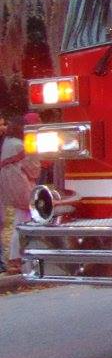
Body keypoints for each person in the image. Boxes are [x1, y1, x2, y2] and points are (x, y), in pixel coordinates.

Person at [0, 112, 40, 272]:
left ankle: (15, 257)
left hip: (8, 186)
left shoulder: (7, 143)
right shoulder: (20, 145)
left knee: (19, 218)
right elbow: (33, 168)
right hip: (22, 184)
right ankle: (16, 257)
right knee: (24, 220)